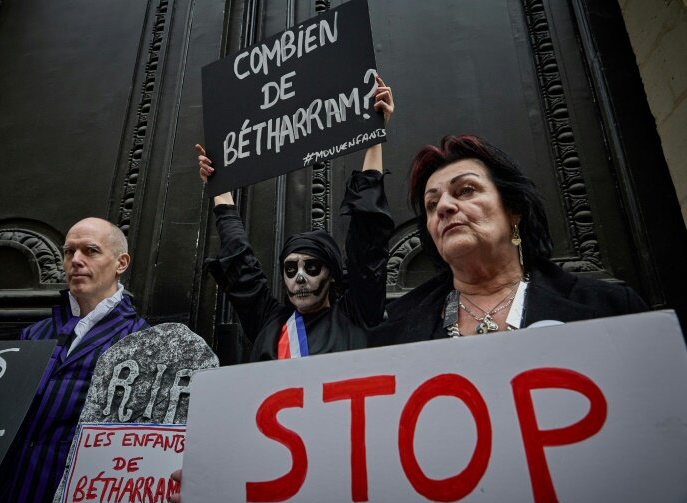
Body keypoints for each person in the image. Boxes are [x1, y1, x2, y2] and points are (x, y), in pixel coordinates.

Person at [371, 135, 647, 345]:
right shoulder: (391, 329)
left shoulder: (611, 309)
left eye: (465, 191)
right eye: (432, 204)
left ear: (513, 209)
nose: (444, 206)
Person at [196, 77, 394, 362]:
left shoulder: (356, 313)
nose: (300, 277)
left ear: (332, 274)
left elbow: (368, 237)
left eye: (311, 267)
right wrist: (219, 186)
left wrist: (374, 134)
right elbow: (240, 263)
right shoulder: (269, 322)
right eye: (290, 269)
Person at [0, 217, 149, 503]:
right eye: (69, 252)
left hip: (75, 495)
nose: (76, 260)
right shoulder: (34, 334)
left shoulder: (144, 340)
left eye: (91, 250)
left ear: (121, 263)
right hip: (7, 492)